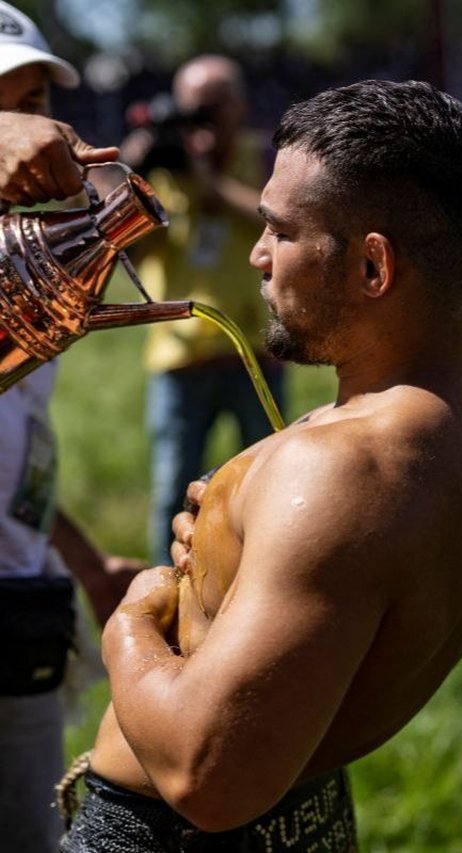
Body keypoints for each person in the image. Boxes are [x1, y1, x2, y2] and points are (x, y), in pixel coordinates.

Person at [19, 78, 462, 851]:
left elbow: (208, 777)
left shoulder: (345, 469)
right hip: (310, 818)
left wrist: (136, 612)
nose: (258, 255)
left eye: (280, 231)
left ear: (374, 268)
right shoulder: (446, 429)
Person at [0, 4, 146, 852]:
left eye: (33, 100)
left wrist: (88, 567)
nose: (29, 128)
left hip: (23, 617)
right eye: (6, 103)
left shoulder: (26, 269)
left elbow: (18, 461)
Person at [123, 54, 285, 564]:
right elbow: (125, 255)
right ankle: (166, 596)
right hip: (179, 357)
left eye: (212, 107)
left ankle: (263, 582)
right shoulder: (162, 172)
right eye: (191, 109)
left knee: (267, 486)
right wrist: (131, 173)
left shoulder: (267, 159)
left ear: (240, 105)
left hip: (254, 351)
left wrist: (209, 185)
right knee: (173, 489)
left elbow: (277, 221)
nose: (202, 121)